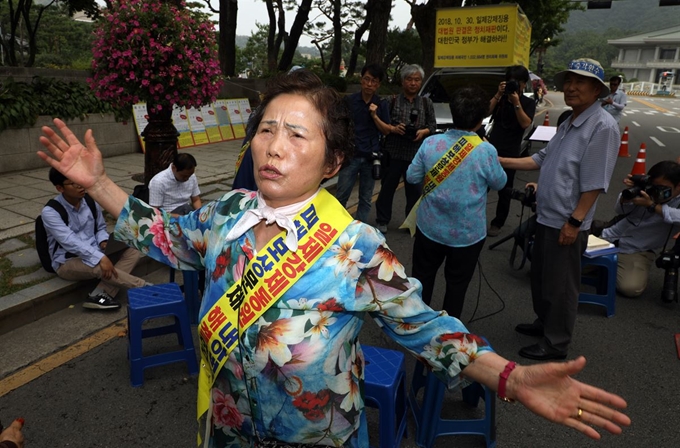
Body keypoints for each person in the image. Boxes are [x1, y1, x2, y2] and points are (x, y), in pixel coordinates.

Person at [38, 70, 630, 447]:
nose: (273, 146)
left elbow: (429, 330)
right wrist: (98, 185)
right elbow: (162, 236)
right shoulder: (225, 215)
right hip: (229, 431)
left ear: (332, 162)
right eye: (267, 129)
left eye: (297, 135)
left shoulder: (356, 248)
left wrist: (512, 375)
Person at [499, 58, 620, 361]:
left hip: (566, 221)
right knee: (542, 278)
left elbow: (594, 182)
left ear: (597, 90)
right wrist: (497, 159)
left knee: (561, 286)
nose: (571, 87)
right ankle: (545, 324)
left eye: (580, 82)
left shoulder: (602, 126)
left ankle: (556, 343)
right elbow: (541, 160)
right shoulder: (569, 121)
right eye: (568, 81)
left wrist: (575, 221)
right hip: (547, 214)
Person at [406, 86, 507, 319]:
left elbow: (412, 177)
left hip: (429, 229)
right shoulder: (486, 151)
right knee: (457, 286)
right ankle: (448, 340)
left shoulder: (431, 143)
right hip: (467, 235)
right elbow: (500, 182)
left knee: (422, 280)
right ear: (481, 119)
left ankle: (419, 326)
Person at [42, 168, 148, 310]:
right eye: (73, 183)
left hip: (96, 250)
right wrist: (100, 258)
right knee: (100, 267)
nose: (80, 186)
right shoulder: (50, 212)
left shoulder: (89, 201)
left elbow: (100, 227)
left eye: (80, 181)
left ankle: (99, 295)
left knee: (132, 250)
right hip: (67, 261)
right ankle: (145, 288)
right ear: (60, 188)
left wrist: (103, 241)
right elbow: (69, 241)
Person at [597, 161, 680, 297]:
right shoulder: (647, 189)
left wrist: (652, 206)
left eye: (663, 187)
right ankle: (607, 266)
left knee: (631, 288)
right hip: (610, 237)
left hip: (638, 250)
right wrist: (626, 197)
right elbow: (619, 209)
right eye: (655, 186)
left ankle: (606, 267)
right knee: (567, 265)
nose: (657, 191)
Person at [375, 64, 436, 234]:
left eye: (417, 80)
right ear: (403, 82)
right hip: (393, 153)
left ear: (421, 82)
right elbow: (382, 124)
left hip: (415, 155)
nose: (413, 83)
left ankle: (411, 222)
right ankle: (382, 220)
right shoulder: (391, 101)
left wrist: (423, 131)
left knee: (415, 192)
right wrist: (395, 129)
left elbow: (432, 126)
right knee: (387, 189)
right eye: (409, 79)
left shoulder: (426, 102)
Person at [334, 64, 391, 223]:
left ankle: (359, 230)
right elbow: (339, 125)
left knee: (366, 198)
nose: (369, 84)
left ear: (378, 84)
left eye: (374, 81)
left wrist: (374, 116)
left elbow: (387, 130)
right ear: (361, 80)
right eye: (367, 79)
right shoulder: (349, 101)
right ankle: (338, 227)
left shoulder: (381, 104)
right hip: (350, 156)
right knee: (341, 196)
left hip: (371, 158)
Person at [487, 65, 537, 237]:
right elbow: (486, 112)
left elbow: (525, 123)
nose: (512, 85)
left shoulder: (528, 102)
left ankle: (497, 222)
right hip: (492, 146)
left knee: (505, 189)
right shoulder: (500, 99)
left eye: (516, 82)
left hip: (511, 150)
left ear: (523, 84)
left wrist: (516, 103)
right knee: (481, 184)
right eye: (509, 82)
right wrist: (498, 94)